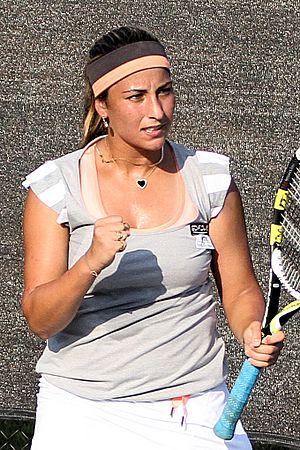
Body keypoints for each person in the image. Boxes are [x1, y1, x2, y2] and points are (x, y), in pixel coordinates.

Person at [22, 26, 284, 450]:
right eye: (136, 97)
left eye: (164, 92)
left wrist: (251, 327)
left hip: (194, 406)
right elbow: (40, 318)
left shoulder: (210, 178)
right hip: (83, 409)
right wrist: (90, 262)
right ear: (101, 105)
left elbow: (238, 290)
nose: (157, 111)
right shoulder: (56, 187)